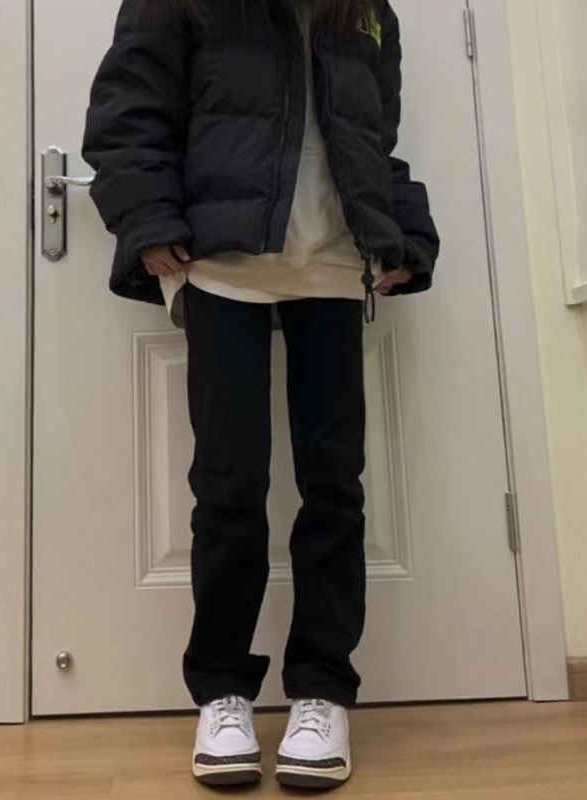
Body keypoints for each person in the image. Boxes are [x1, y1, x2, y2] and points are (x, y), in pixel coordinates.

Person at [84, 0, 439, 789]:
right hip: (222, 265)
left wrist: (405, 236)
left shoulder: (367, 10)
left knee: (334, 486)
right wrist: (148, 221)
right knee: (229, 488)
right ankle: (223, 693)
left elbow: (375, 140)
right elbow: (129, 109)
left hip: (335, 267)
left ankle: (321, 691)